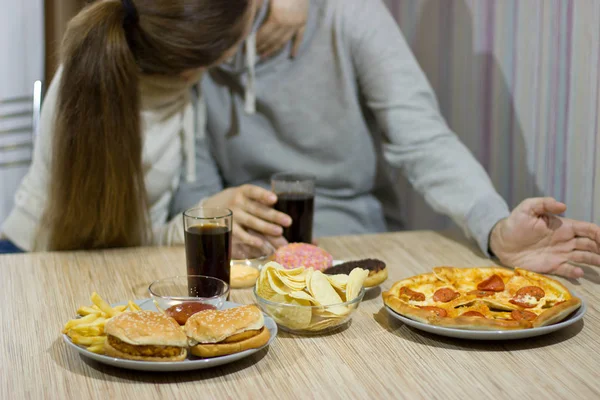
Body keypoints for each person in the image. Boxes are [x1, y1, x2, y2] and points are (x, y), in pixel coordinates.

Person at [183, 0, 600, 279]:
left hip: (356, 244)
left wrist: (493, 227)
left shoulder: (349, 14)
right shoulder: (181, 40)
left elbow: (423, 139)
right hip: (250, 257)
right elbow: (196, 192)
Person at [0, 0, 300, 252]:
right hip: (44, 262)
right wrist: (202, 218)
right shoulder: (105, 90)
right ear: (205, 61)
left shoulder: (147, 45)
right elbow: (109, 254)